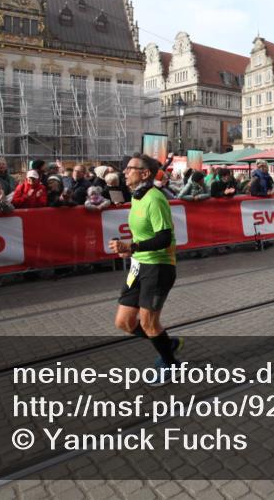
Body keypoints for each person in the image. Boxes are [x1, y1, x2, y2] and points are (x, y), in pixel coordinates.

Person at [109, 154, 183, 379]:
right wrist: (130, 250)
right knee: (124, 322)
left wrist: (131, 245)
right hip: (137, 266)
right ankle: (166, 343)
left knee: (150, 323)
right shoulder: (137, 197)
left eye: (130, 168)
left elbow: (163, 238)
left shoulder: (154, 198)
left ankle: (171, 366)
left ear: (145, 174)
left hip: (159, 267)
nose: (125, 171)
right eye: (126, 168)